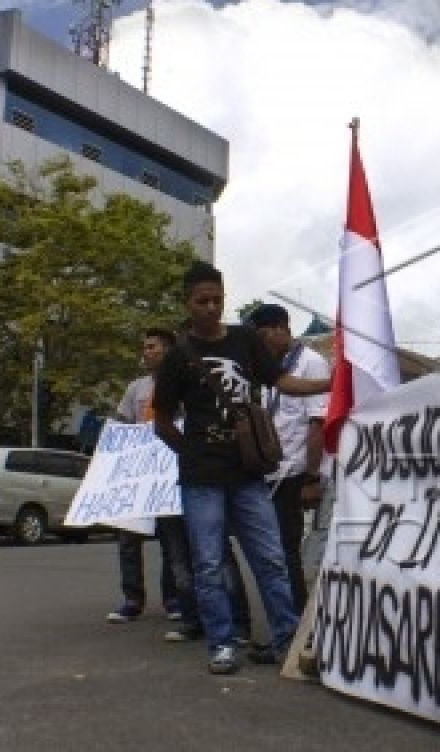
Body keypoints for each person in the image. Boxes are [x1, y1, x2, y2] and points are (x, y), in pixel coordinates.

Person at [152, 262, 331, 675]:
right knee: (210, 563)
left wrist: (328, 385)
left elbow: (281, 382)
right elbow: (162, 422)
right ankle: (223, 642)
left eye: (217, 299)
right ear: (187, 303)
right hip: (202, 480)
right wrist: (191, 453)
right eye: (202, 301)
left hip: (250, 475)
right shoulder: (178, 357)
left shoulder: (245, 341)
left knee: (270, 558)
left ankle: (287, 638)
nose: (211, 308)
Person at [246, 303, 331, 613]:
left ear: (282, 327)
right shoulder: (273, 371)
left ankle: (298, 626)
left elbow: (317, 423)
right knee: (276, 555)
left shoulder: (311, 364)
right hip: (274, 475)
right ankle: (288, 624)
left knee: (292, 554)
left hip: (298, 475)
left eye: (264, 335)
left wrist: (311, 478)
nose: (261, 343)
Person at [105, 328, 183, 625]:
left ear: (167, 350)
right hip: (138, 472)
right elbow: (122, 421)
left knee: (171, 537)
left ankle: (173, 598)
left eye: (152, 347)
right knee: (128, 537)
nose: (146, 352)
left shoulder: (182, 384)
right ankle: (132, 598)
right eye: (145, 347)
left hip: (167, 471)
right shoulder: (136, 388)